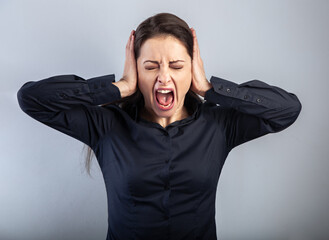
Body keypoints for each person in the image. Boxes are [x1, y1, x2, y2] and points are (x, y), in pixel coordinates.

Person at [17, 12, 302, 240]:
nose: (164, 78)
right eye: (151, 66)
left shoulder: (218, 124)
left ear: (192, 68)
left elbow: (287, 109)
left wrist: (210, 88)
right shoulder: (106, 126)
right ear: (136, 69)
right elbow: (32, 99)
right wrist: (118, 88)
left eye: (177, 66)